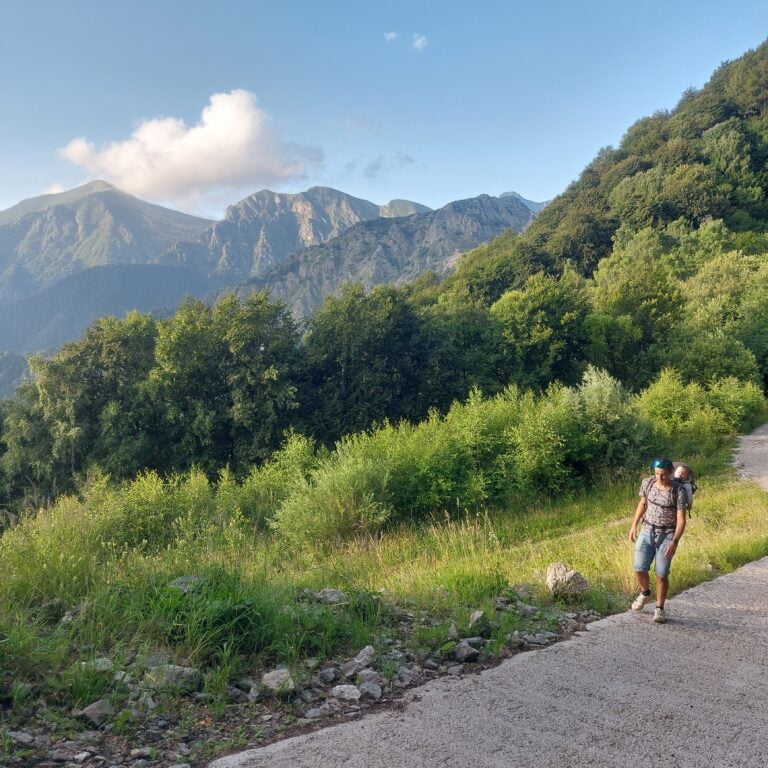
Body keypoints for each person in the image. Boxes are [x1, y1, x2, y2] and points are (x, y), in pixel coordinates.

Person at [628, 457, 686, 623]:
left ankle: (659, 609)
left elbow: (681, 520)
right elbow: (642, 504)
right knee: (639, 568)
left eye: (664, 475)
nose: (660, 478)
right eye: (657, 474)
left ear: (670, 473)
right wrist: (634, 525)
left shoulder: (678, 491)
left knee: (661, 573)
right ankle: (645, 593)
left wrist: (674, 542)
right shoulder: (648, 483)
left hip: (667, 534)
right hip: (647, 531)